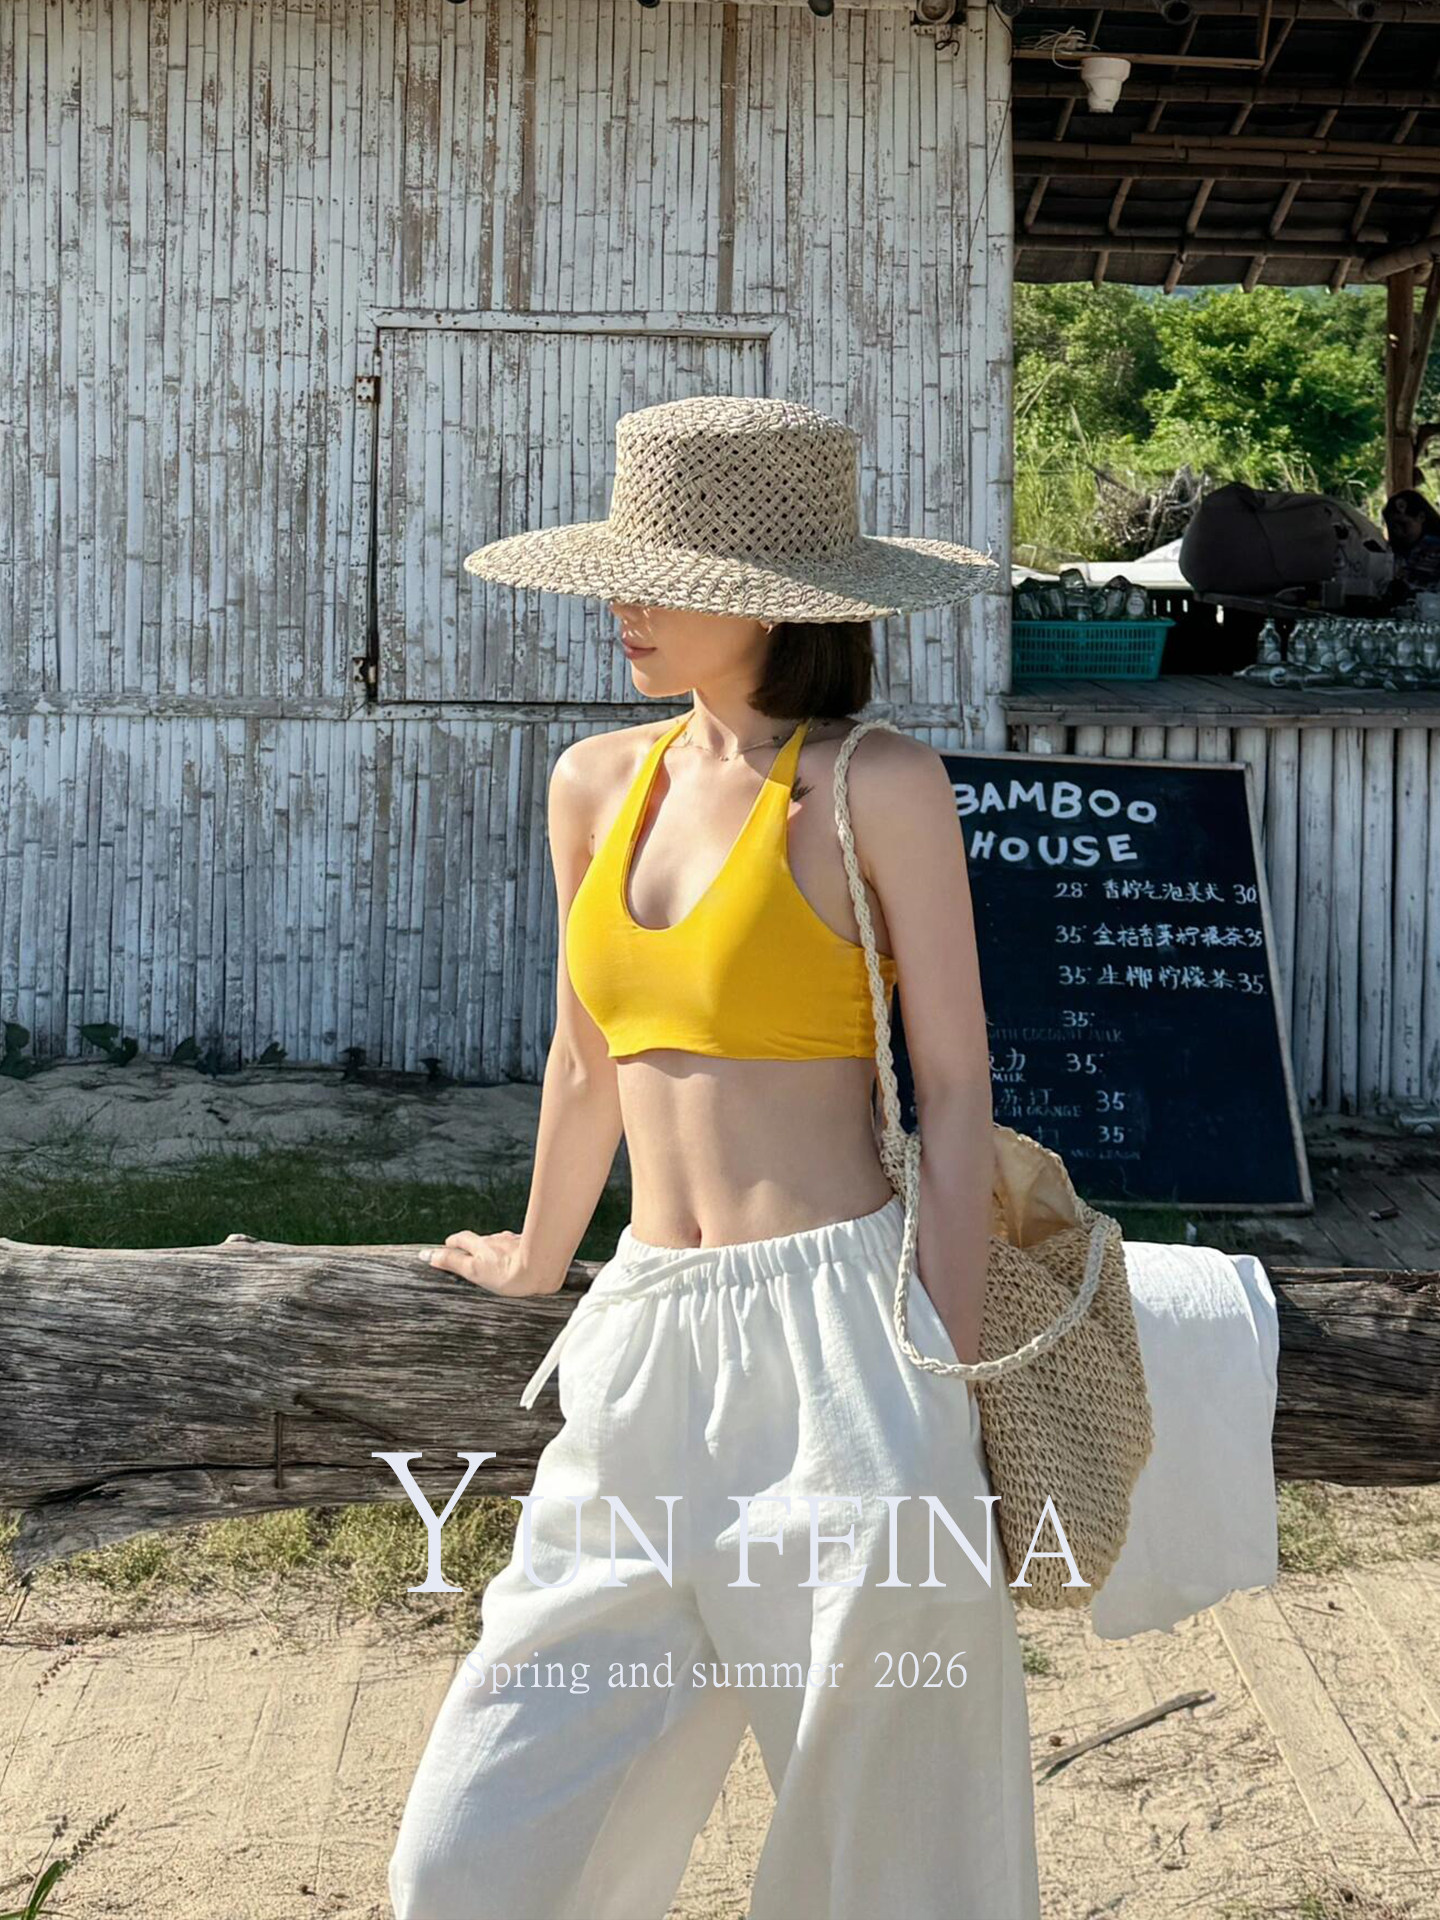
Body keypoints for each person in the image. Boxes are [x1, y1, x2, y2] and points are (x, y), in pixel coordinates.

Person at [386, 395, 1037, 1919]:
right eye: (620, 572)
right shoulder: (594, 783)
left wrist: (936, 1373)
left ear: (772, 602)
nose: (623, 604)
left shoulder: (877, 786)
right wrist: (541, 1259)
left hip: (845, 1342)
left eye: (662, 578)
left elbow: (955, 1091)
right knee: (474, 1846)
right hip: (645, 1339)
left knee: (887, 1850)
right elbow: (584, 1060)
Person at [1382, 486, 1440, 590]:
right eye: (1393, 527)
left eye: (1403, 524)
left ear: (1421, 517)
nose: (1397, 532)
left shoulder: (1435, 549)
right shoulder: (1396, 553)